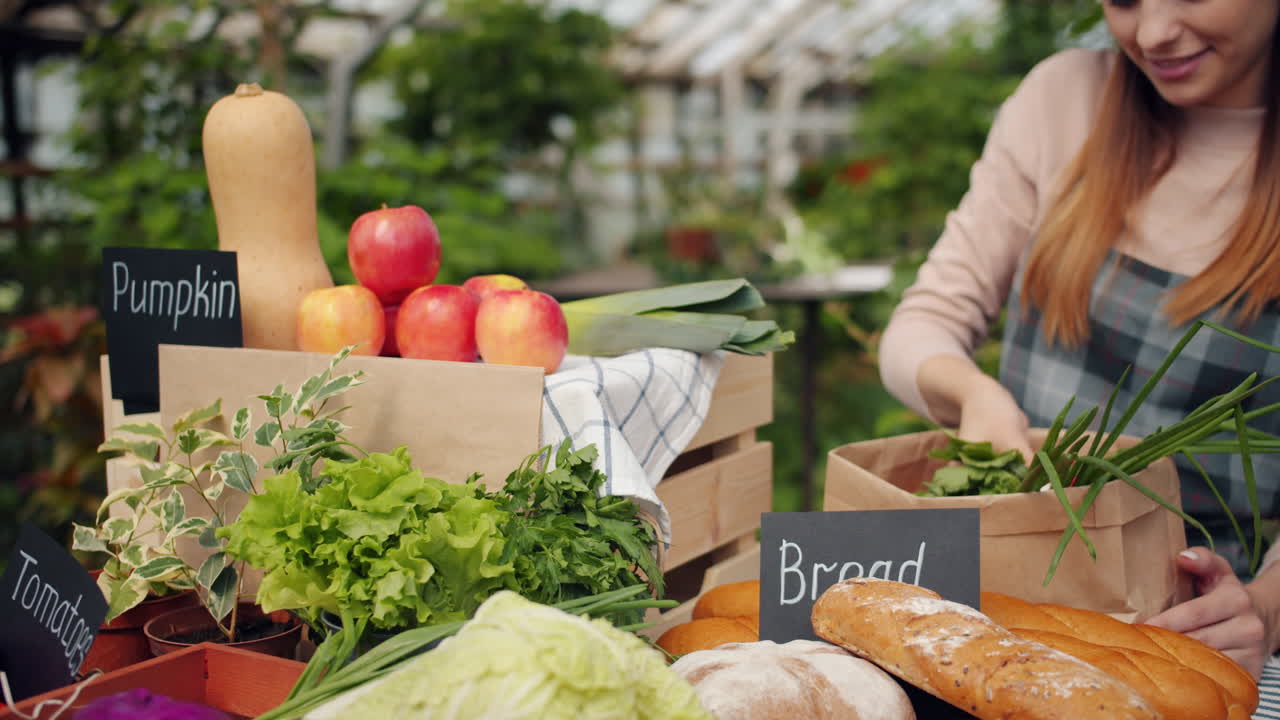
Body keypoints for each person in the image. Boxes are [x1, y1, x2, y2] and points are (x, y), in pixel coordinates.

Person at [877, 0, 1280, 679]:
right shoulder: (1064, 99)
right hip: (1004, 615)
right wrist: (975, 396)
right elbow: (922, 325)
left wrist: (1264, 610)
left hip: (1189, 639)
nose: (1152, 34)